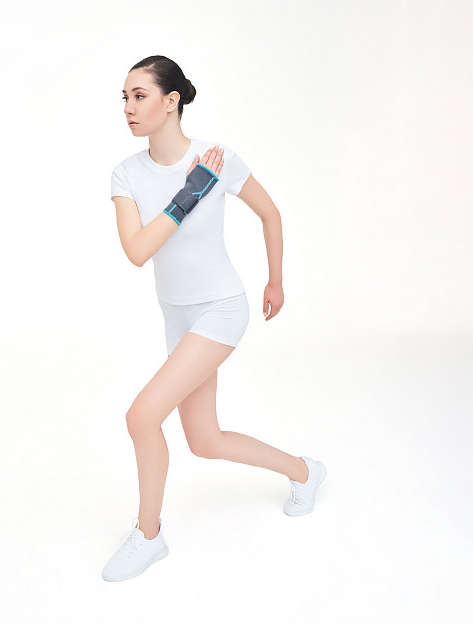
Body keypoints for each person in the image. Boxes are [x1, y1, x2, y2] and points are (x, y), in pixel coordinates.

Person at [103, 55, 327, 582]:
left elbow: (270, 212)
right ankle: (305, 471)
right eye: (125, 98)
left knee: (141, 417)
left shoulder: (216, 159)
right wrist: (188, 195)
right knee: (204, 440)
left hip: (220, 308)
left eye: (139, 95)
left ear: (171, 101)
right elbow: (137, 251)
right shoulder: (126, 174)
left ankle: (149, 535)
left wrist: (275, 280)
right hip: (177, 315)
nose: (129, 107)